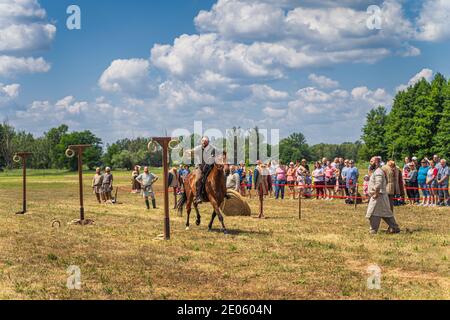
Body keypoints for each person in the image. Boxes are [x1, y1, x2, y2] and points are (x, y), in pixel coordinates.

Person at [366, 157, 400, 234]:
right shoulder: (377, 171)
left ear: (377, 162)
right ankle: (395, 227)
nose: (370, 163)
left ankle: (373, 230)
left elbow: (378, 184)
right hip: (380, 196)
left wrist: (375, 194)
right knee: (385, 213)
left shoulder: (378, 172)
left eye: (371, 161)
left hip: (378, 196)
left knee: (373, 213)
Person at [185, 136, 217, 205]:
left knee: (220, 174)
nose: (204, 144)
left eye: (206, 142)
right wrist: (187, 151)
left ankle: (223, 192)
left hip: (210, 166)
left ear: (208, 142)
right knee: (198, 179)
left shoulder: (212, 148)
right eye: (203, 142)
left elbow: (218, 151)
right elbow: (191, 151)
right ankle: (198, 196)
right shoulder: (198, 148)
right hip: (200, 167)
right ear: (201, 142)